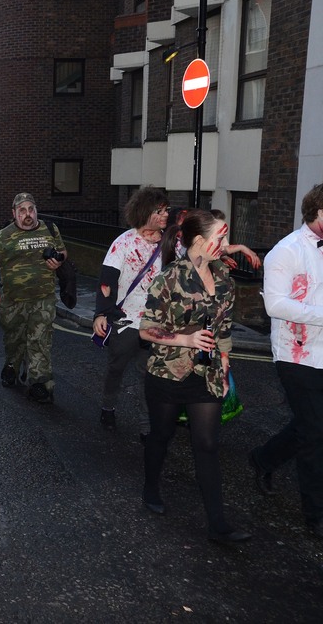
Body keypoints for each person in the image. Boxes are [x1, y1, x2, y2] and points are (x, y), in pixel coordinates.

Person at [138, 209, 250, 544]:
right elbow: (146, 330)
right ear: (199, 241)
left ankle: (218, 524)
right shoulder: (169, 278)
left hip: (207, 375)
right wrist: (184, 339)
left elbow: (224, 329)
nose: (226, 245)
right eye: (221, 238)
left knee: (207, 444)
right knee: (161, 435)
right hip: (168, 373)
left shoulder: (225, 281)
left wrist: (226, 360)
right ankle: (150, 487)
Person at [250, 183, 323, 539]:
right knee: (315, 432)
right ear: (319, 211)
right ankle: (316, 514)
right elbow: (275, 305)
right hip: (297, 353)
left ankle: (263, 459)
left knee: (312, 425)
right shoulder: (286, 251)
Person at [92, 187, 168, 435]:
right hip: (126, 322)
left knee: (149, 373)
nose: (166, 214)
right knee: (116, 368)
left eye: (166, 210)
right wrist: (101, 314)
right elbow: (107, 282)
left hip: (156, 323)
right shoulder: (123, 243)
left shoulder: (170, 244)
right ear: (146, 212)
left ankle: (147, 425)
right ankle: (108, 406)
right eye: (160, 210)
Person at [0, 193, 66, 404]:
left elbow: (63, 252)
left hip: (43, 299)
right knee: (15, 340)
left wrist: (59, 260)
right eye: (22, 210)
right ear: (14, 214)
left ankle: (40, 383)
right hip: (14, 301)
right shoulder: (4, 236)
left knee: (40, 341)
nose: (27, 214)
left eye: (31, 209)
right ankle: (12, 364)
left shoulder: (50, 229)